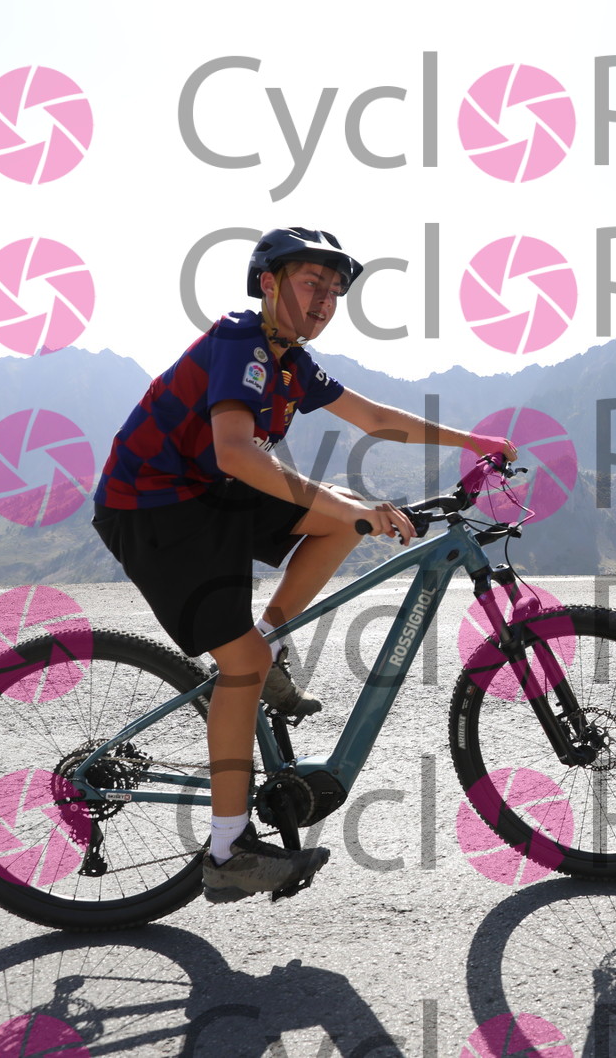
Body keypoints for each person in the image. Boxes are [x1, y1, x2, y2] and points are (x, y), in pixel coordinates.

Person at [92, 227, 516, 901]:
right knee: (243, 660)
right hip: (153, 508)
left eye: (335, 290)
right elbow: (235, 451)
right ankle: (227, 851)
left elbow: (373, 417)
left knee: (340, 517)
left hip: (207, 498)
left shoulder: (291, 362)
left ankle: (270, 641)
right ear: (268, 283)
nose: (325, 300)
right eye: (311, 282)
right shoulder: (241, 339)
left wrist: (474, 440)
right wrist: (352, 507)